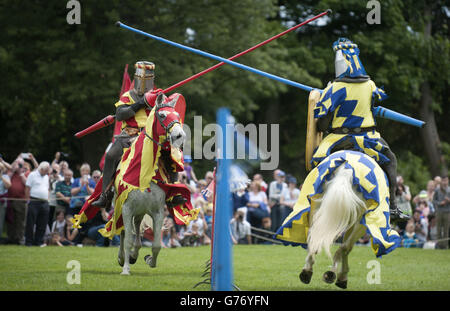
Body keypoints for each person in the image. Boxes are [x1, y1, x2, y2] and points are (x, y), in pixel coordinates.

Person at [310, 38, 408, 221]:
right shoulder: (370, 85)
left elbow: (321, 126)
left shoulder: (334, 89)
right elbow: (373, 103)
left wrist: (325, 99)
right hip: (369, 138)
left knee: (315, 163)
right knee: (390, 160)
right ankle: (392, 207)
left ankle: (313, 203)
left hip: (339, 139)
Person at [92, 61, 160, 208]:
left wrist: (156, 101)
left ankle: (174, 194)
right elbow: (120, 114)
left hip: (150, 136)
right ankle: (105, 195)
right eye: (141, 79)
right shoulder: (127, 95)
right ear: (136, 79)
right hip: (128, 136)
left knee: (171, 151)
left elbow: (166, 114)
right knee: (110, 156)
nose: (143, 83)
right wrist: (140, 104)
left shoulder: (157, 96)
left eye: (147, 79)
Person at [24, 161, 50, 246]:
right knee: (31, 222)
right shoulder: (32, 175)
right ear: (41, 169)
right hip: (34, 201)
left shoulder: (46, 176)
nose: (47, 172)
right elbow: (27, 188)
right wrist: (28, 200)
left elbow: (48, 189)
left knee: (42, 223)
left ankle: (38, 241)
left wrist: (48, 199)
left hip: (44, 202)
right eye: (46, 170)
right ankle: (29, 242)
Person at [6, 157, 28, 244]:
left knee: (20, 221)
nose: (18, 166)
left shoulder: (25, 173)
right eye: (16, 163)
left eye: (20, 164)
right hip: (10, 200)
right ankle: (11, 238)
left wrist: (21, 173)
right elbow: (6, 180)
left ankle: (19, 239)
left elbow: (27, 183)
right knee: (10, 220)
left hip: (21, 200)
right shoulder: (9, 173)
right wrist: (12, 170)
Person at [432, 176, 450, 249]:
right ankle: (439, 245)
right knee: (438, 229)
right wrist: (440, 203)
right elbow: (434, 201)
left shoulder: (449, 189)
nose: (444, 182)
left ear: (448, 181)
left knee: (446, 229)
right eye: (443, 181)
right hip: (439, 211)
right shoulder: (437, 190)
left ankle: (445, 245)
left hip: (448, 212)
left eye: (446, 180)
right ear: (441, 181)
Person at [0, 160, 11, 240]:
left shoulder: (6, 176)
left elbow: (8, 186)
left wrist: (1, 177)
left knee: (0, 221)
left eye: (0, 169)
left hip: (2, 201)